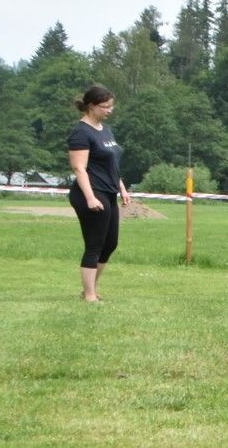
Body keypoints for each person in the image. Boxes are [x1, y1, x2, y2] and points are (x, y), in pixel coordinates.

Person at [66, 85, 131, 302]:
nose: (110, 110)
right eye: (105, 106)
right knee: (95, 244)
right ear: (91, 106)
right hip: (91, 193)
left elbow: (110, 164)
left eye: (111, 106)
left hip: (109, 191)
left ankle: (90, 288)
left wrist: (121, 188)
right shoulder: (81, 133)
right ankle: (90, 295)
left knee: (110, 243)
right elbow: (79, 168)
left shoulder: (104, 129)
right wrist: (90, 197)